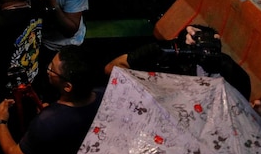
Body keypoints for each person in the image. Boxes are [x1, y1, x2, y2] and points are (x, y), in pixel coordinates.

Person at [0, 46, 104, 154]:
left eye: (52, 69)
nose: (47, 70)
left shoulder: (46, 125)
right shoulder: (106, 97)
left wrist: (1, 120)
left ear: (67, 86)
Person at [104, 24, 252, 99]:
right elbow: (112, 68)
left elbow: (239, 103)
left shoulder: (227, 68)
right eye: (189, 50)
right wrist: (148, 85)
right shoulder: (161, 51)